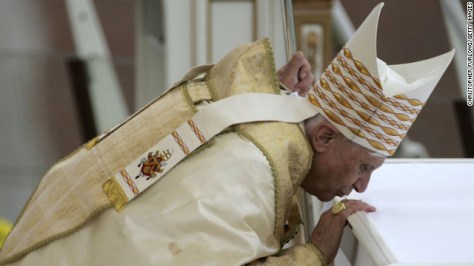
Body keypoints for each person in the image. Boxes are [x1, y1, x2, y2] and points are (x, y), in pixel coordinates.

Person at [0, 3, 454, 266]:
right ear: (324, 139)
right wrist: (313, 255)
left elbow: (217, 88)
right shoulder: (250, 178)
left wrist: (275, 87)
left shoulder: (266, 119)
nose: (360, 185)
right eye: (363, 166)